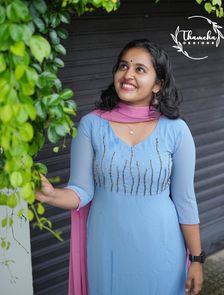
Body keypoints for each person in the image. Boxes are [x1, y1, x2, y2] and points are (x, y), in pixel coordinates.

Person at [36, 39, 205, 295]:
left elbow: (185, 200)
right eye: (123, 66)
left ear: (158, 84)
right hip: (107, 249)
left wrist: (196, 259)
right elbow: (81, 191)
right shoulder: (91, 125)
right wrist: (51, 195)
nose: (128, 74)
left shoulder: (177, 130)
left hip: (162, 248)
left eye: (140, 69)